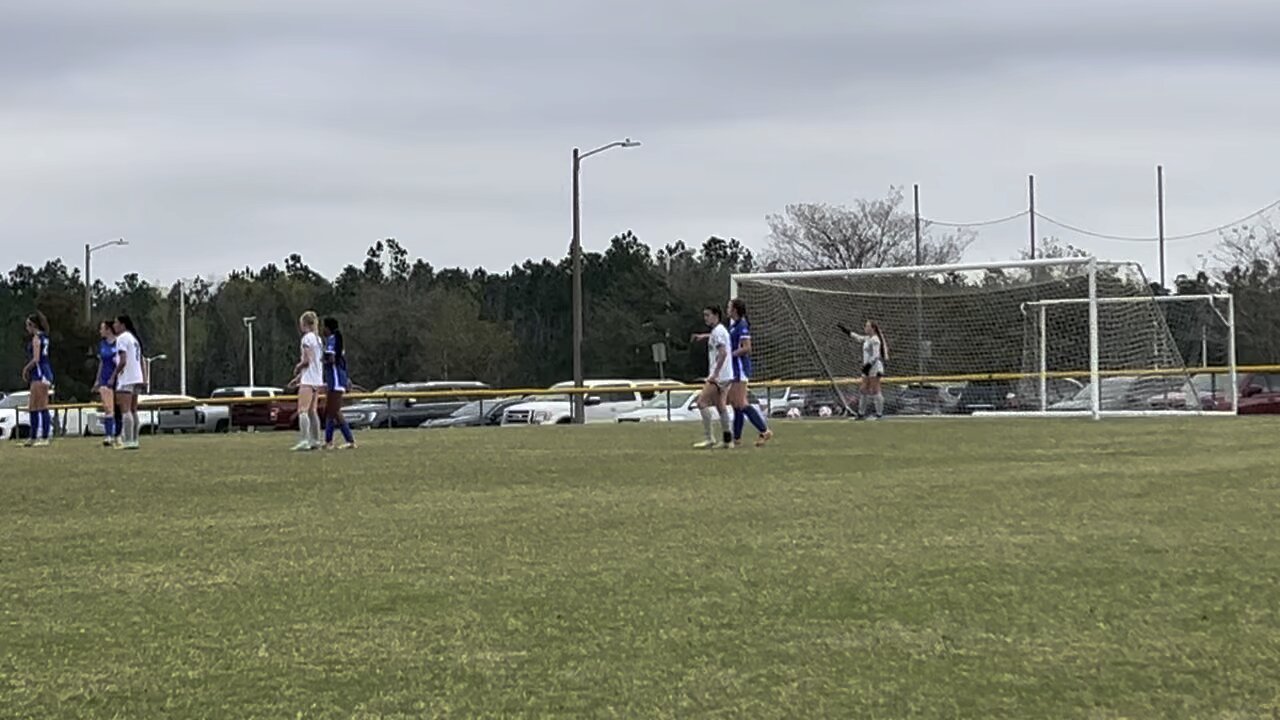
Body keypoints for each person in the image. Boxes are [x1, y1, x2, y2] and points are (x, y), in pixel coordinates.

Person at [727, 298, 772, 447]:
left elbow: (747, 348)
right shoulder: (733, 326)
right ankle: (737, 438)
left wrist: (731, 354)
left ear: (735, 310)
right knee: (735, 404)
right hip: (733, 369)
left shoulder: (742, 325)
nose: (727, 309)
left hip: (740, 368)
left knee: (741, 402)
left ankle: (764, 430)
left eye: (729, 307)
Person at [690, 305, 735, 449]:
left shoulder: (719, 332)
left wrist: (714, 374)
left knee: (701, 402)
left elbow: (723, 353)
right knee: (721, 405)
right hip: (726, 374)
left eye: (707, 315)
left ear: (716, 315)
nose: (705, 318)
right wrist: (704, 336)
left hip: (719, 376)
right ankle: (728, 440)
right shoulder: (719, 331)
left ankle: (710, 438)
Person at [288, 311, 325, 451]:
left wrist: (297, 368)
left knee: (302, 410)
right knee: (312, 411)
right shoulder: (318, 339)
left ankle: (304, 440)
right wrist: (297, 378)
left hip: (308, 380)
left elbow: (307, 360)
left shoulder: (306, 339)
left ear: (304, 324)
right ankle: (316, 439)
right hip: (317, 379)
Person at [838, 319, 889, 420]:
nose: (865, 328)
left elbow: (876, 355)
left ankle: (879, 415)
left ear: (873, 328)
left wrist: (868, 366)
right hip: (868, 368)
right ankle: (861, 414)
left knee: (875, 390)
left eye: (867, 326)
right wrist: (846, 330)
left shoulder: (875, 340)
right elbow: (857, 337)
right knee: (863, 389)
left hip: (874, 367)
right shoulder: (867, 338)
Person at [321, 317, 357, 450]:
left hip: (336, 380)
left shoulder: (332, 340)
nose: (322, 330)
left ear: (328, 328)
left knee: (334, 411)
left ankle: (350, 440)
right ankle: (328, 441)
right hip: (335, 379)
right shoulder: (335, 340)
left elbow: (331, 358)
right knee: (330, 411)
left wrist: (323, 359)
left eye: (324, 327)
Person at [110, 315, 145, 450]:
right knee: (133, 409)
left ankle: (129, 440)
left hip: (127, 377)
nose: (114, 325)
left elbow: (123, 360)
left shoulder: (122, 338)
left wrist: (114, 375)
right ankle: (135, 439)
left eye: (116, 323)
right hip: (137, 376)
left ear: (122, 325)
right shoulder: (133, 338)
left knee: (125, 410)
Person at [20, 312, 54, 447]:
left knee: (41, 406)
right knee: (33, 406)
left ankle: (44, 437)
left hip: (41, 374)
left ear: (32, 325)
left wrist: (26, 369)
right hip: (42, 373)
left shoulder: (37, 338)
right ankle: (33, 437)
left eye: (28, 325)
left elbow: (36, 359)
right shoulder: (44, 337)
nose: (27, 329)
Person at [91, 320, 121, 448]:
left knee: (118, 408)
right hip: (105, 379)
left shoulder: (119, 343)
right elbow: (102, 363)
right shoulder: (102, 344)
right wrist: (97, 380)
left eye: (102, 328)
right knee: (108, 408)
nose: (100, 331)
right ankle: (109, 436)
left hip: (118, 380)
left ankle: (118, 435)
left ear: (108, 329)